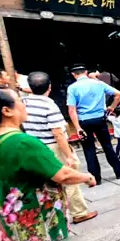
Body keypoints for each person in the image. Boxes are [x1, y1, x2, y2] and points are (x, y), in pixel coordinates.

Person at [0, 87, 96, 241]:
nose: (24, 104)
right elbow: (62, 175)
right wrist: (87, 177)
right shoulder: (23, 142)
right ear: (7, 111)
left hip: (10, 216)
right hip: (39, 217)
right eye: (20, 101)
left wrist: (3, 199)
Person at [22, 72, 98, 224]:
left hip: (34, 146)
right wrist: (69, 155)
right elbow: (58, 133)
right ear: (49, 86)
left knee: (46, 182)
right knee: (70, 177)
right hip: (52, 146)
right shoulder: (48, 104)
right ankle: (79, 212)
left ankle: (49, 214)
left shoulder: (23, 103)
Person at [66, 64, 120, 183]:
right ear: (86, 72)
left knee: (89, 149)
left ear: (73, 74)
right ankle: (119, 172)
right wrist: (112, 107)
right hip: (100, 119)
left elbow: (71, 110)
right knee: (107, 146)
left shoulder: (72, 88)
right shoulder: (99, 84)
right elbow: (119, 94)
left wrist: (77, 128)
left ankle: (96, 179)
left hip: (84, 121)